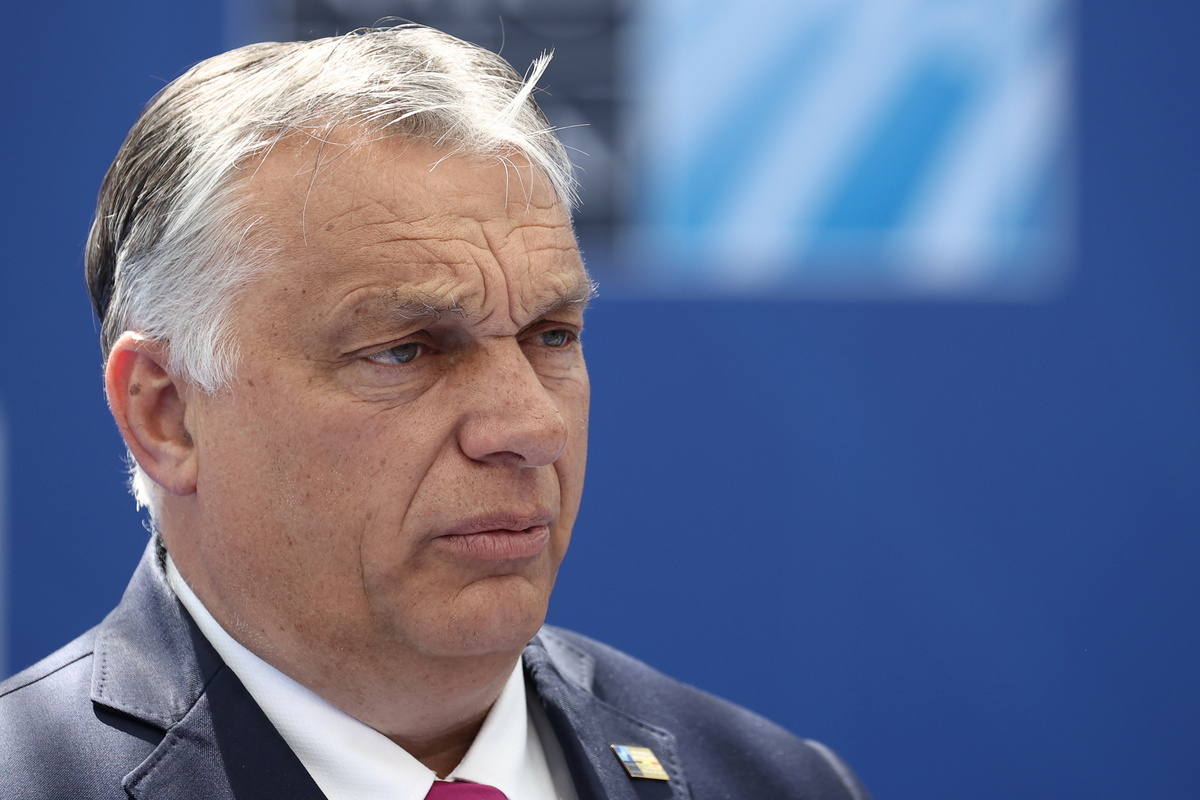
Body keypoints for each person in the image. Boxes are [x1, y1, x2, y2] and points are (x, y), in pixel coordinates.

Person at [0, 25, 869, 800]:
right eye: (406, 350)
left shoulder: (778, 783)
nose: (532, 429)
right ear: (168, 414)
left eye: (551, 335)